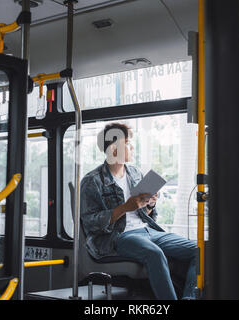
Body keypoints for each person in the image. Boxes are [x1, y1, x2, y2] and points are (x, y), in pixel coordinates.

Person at [80, 122, 197, 300]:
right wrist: (125, 207)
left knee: (200, 249)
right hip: (119, 236)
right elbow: (90, 223)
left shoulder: (134, 173)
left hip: (148, 230)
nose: (132, 146)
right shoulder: (92, 181)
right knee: (154, 254)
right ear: (114, 149)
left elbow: (145, 214)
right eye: (127, 142)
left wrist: (149, 204)